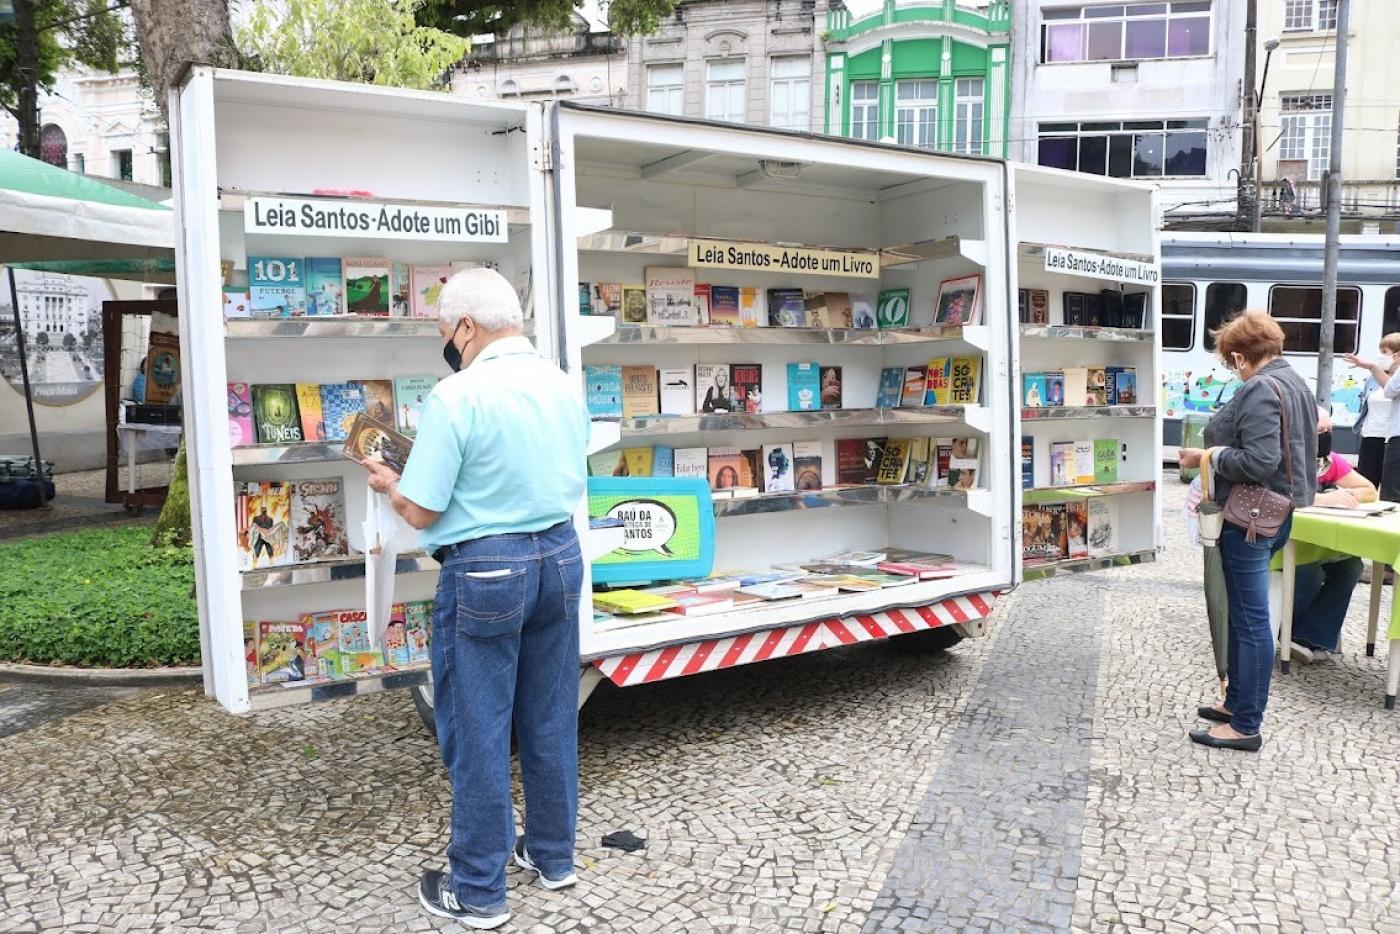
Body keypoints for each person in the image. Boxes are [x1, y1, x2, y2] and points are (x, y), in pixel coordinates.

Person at [358, 268, 589, 930]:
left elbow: (424, 512)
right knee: (550, 716)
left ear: (467, 326)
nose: (446, 343)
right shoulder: (562, 384)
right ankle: (552, 855)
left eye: (444, 331)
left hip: (487, 569)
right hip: (560, 555)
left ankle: (479, 890)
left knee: (479, 730)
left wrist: (387, 483)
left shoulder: (456, 396)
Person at [1178, 311, 1317, 752]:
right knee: (1243, 616)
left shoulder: (1260, 387)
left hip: (1250, 517)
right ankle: (1235, 704)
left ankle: (1245, 725)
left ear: (1240, 356)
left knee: (1251, 621)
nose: (1231, 369)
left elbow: (1258, 462)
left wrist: (1214, 455)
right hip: (1277, 513)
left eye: (1228, 362)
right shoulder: (1294, 380)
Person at [1290, 430, 1378, 663]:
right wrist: (1319, 499)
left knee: (1352, 566)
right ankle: (1285, 627)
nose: (1324, 435)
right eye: (1318, 430)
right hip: (1285, 541)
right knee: (1309, 568)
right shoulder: (1284, 455)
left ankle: (1310, 636)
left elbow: (1369, 490)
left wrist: (1342, 493)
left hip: (1320, 541)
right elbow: (1277, 494)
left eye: (1328, 430)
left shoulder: (1330, 461)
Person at [1341, 332, 1400, 487]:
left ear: (1397, 355)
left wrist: (1373, 367)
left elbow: (1390, 389)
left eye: (1385, 352)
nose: (1381, 356)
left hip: (1390, 437)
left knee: (1390, 485)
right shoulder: (1372, 379)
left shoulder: (1393, 380)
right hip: (1370, 434)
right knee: (1367, 483)